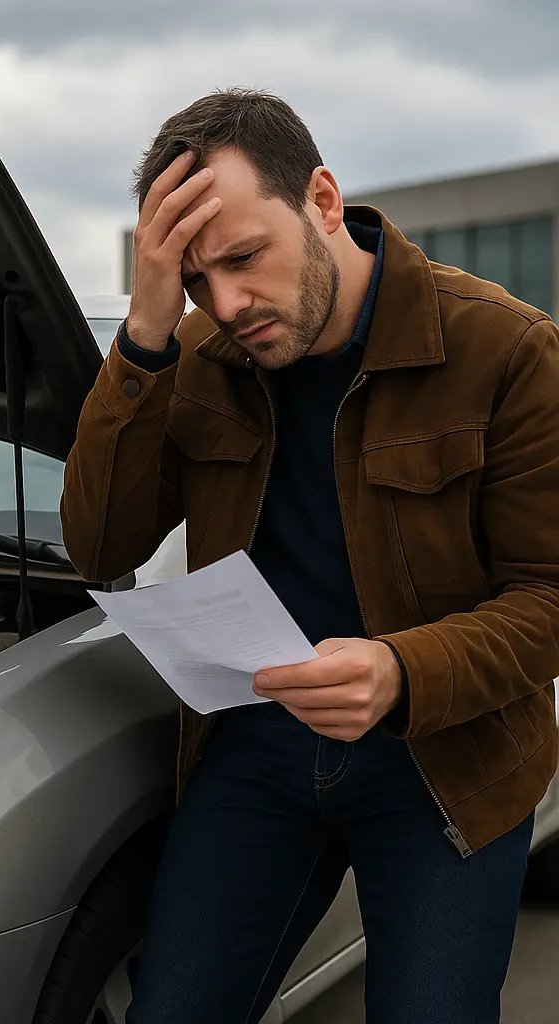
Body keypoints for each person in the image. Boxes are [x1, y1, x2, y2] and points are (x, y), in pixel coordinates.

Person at [59, 88, 559, 1024]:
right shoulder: (194, 355)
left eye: (244, 257)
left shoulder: (508, 349)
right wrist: (146, 335)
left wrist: (401, 670)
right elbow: (98, 543)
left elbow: (549, 599)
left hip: (447, 760)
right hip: (255, 752)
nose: (227, 304)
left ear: (322, 201)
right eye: (195, 279)